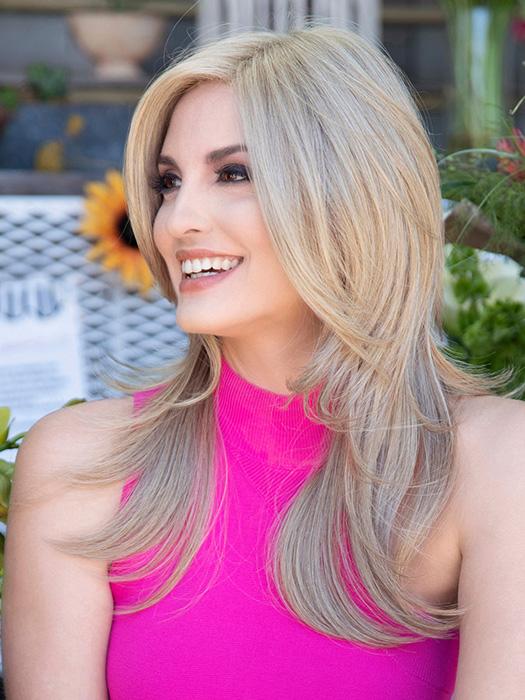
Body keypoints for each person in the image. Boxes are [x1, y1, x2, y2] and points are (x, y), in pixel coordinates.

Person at [2, 23, 525, 700]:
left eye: (234, 173)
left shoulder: (493, 462)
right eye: (168, 182)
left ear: (352, 198)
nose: (175, 221)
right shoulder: (82, 466)